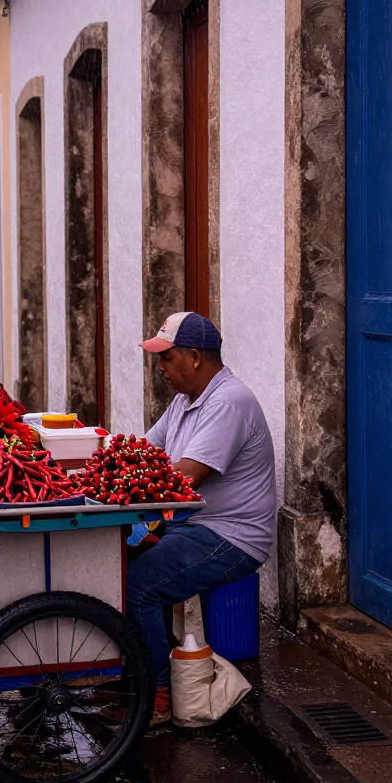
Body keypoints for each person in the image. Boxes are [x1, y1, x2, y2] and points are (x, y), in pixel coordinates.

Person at [126, 311, 275, 725]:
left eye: (166, 358)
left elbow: (184, 478)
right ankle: (135, 669)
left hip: (231, 536)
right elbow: (144, 453)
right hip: (191, 525)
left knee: (138, 586)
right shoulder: (184, 402)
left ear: (194, 357)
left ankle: (156, 694)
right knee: (117, 556)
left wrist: (126, 480)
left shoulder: (228, 402)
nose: (160, 369)